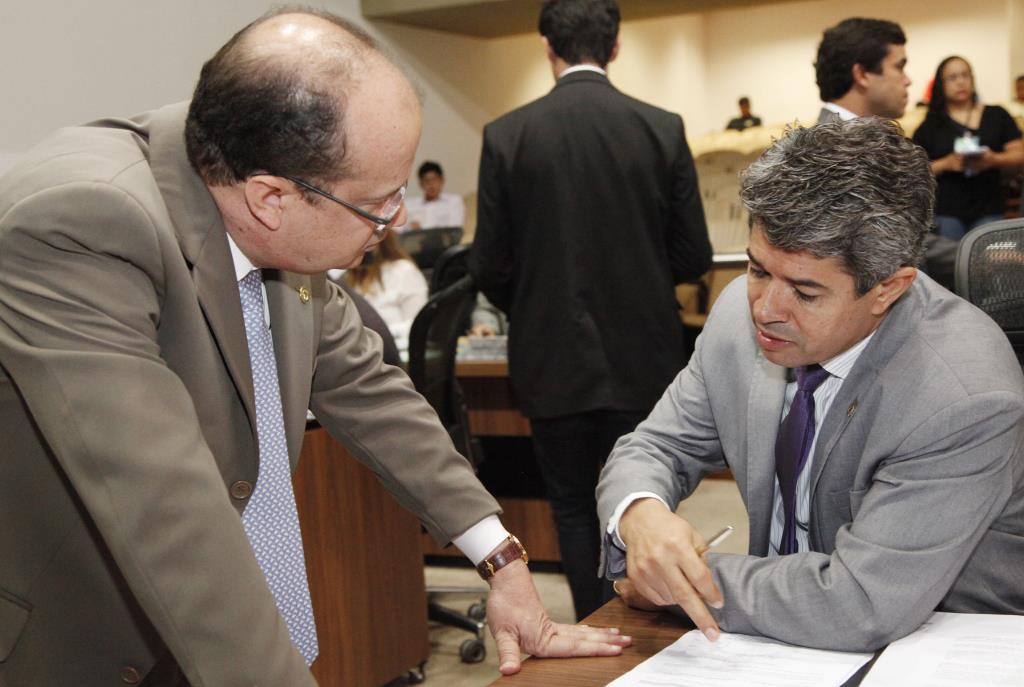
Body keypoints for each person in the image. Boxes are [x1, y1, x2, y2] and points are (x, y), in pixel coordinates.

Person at [0, 9, 631, 686]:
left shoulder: (269, 202)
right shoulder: (84, 227)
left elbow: (369, 389)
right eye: (379, 203)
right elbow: (166, 508)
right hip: (78, 641)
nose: (398, 219)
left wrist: (500, 558)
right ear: (272, 198)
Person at [597, 117, 1024, 653]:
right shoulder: (736, 319)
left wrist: (677, 582)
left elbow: (860, 603)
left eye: (804, 291)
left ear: (888, 288)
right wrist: (639, 515)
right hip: (774, 639)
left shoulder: (963, 395)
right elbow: (655, 446)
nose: (766, 310)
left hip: (940, 645)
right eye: (757, 270)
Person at [470, 0, 712, 621]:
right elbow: (694, 254)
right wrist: (643, 284)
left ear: (547, 46)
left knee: (574, 507)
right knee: (651, 497)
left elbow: (489, 265)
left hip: (549, 354)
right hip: (646, 351)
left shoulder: (508, 135)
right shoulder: (660, 127)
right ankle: (653, 623)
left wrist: (536, 304)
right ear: (616, 46)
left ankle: (594, 629)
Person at [814, 16, 958, 291]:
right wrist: (984, 253)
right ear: (862, 75)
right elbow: (888, 245)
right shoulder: (830, 151)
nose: (907, 80)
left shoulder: (861, 141)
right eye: (899, 66)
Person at [912, 56, 1024, 241]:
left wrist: (993, 159)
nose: (960, 82)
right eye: (952, 77)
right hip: (947, 209)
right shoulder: (930, 126)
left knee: (987, 255)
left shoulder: (997, 115)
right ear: (941, 84)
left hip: (989, 205)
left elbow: (1019, 155)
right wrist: (946, 163)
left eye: (965, 75)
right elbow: (915, 171)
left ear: (973, 79)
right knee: (951, 256)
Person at [345, 232, 428, 354]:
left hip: (395, 351)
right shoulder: (346, 278)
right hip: (358, 353)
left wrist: (372, 335)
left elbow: (417, 325)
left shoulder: (403, 271)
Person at [403, 160, 465, 230]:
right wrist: (410, 227)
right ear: (421, 184)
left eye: (434, 179)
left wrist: (421, 229)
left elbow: (455, 230)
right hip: (415, 237)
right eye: (427, 181)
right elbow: (398, 230)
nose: (431, 184)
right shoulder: (409, 204)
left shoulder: (454, 201)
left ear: (442, 180)